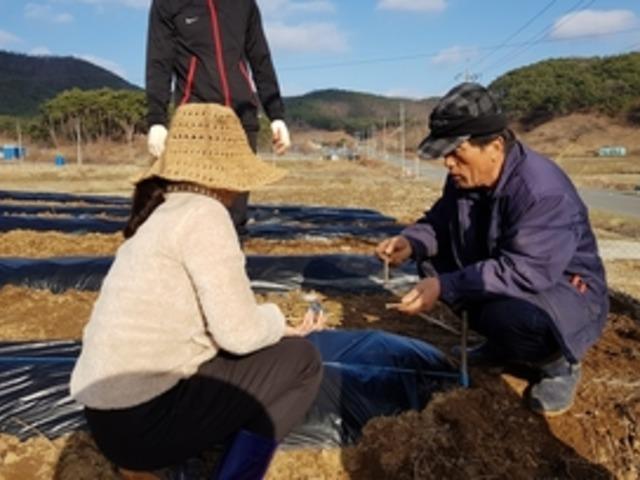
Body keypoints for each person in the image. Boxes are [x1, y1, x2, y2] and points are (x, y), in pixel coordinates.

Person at [70, 103, 323, 479]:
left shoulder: (160, 214)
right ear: (226, 174)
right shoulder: (206, 214)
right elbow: (238, 335)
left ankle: (140, 469)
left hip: (106, 419)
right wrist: (276, 320)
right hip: (145, 422)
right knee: (303, 360)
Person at [376, 82, 609, 416]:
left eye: (457, 153)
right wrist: (410, 243)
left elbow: (524, 271)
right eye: (445, 155)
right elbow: (441, 221)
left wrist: (447, 286)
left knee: (513, 317)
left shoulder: (541, 191)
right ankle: (503, 346)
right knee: (431, 264)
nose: (448, 164)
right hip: (508, 270)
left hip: (565, 290)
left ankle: (558, 364)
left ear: (495, 147)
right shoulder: (465, 178)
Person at [145, 0, 291, 234]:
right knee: (193, 212)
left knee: (235, 216)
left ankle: (231, 267)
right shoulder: (168, 3)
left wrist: (276, 114)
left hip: (240, 121)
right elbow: (159, 62)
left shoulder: (244, 4)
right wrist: (156, 120)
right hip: (196, 122)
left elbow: (260, 57)